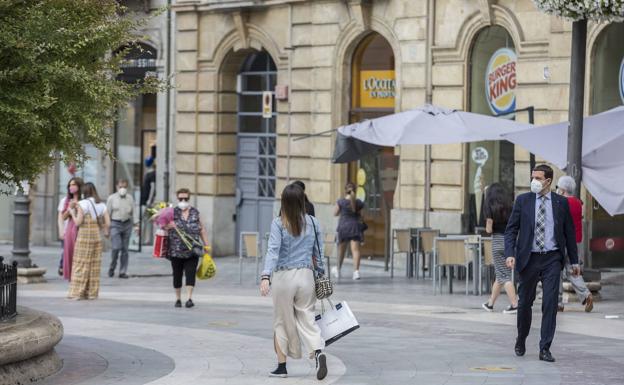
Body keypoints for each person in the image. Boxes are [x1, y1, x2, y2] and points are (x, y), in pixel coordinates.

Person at [504, 164, 579, 363]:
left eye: (538, 178)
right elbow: (511, 230)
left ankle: (544, 347)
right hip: (529, 258)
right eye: (532, 177)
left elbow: (569, 234)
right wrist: (510, 253)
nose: (534, 181)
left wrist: (574, 261)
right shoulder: (523, 201)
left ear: (548, 181)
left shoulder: (561, 203)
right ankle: (521, 338)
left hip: (552, 258)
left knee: (550, 303)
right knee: (525, 303)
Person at [259, 183, 328, 380]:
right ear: (302, 201)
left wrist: (266, 276)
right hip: (306, 276)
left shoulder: (279, 223)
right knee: (307, 317)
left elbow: (273, 250)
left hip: (283, 277)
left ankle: (282, 367)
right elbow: (319, 253)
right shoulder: (314, 222)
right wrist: (320, 274)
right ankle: (318, 352)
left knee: (281, 321)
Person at [556, 175, 594, 312]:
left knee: (557, 271)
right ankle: (586, 294)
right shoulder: (579, 203)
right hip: (576, 242)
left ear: (562, 189)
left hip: (562, 242)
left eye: (558, 187)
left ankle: (558, 302)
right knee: (573, 272)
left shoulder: (561, 203)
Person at [167, 188, 209, 308]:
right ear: (177, 199)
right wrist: (167, 226)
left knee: (190, 273)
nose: (183, 201)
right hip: (176, 251)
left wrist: (206, 245)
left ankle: (189, 298)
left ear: (189, 199)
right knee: (177, 275)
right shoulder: (172, 213)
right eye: (181, 199)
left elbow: (202, 229)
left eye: (186, 198)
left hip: (193, 250)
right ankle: (178, 299)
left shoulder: (195, 212)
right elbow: (163, 226)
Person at [68, 182, 110, 300]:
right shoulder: (101, 204)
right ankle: (91, 293)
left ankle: (77, 293)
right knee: (94, 265)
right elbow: (108, 223)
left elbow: (77, 222)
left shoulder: (83, 204)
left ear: (84, 191)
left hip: (84, 238)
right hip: (96, 237)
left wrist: (72, 212)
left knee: (80, 264)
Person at [481, 183, 518, 314]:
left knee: (504, 275)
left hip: (497, 242)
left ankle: (514, 304)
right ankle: (490, 303)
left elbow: (489, 229)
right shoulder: (510, 206)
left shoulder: (489, 207)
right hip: (510, 241)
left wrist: (487, 225)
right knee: (500, 274)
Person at [331, 182, 364, 280]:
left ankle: (337, 269)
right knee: (356, 250)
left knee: (341, 251)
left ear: (345, 190)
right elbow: (362, 216)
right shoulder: (358, 202)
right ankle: (356, 272)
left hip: (343, 227)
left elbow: (335, 213)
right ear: (355, 190)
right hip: (354, 226)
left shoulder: (341, 201)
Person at [107, 179, 135, 279]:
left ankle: (123, 271)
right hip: (115, 223)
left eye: (124, 187)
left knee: (125, 249)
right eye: (120, 187)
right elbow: (107, 214)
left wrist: (136, 225)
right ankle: (112, 267)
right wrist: (107, 228)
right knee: (116, 247)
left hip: (127, 224)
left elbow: (134, 212)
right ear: (116, 186)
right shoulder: (111, 198)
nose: (122, 189)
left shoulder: (130, 198)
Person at [57, 177, 83, 280]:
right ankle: (69, 274)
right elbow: (62, 217)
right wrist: (70, 209)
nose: (71, 187)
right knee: (67, 252)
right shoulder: (65, 200)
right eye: (70, 185)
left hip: (81, 230)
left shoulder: (84, 200)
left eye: (74, 185)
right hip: (69, 230)